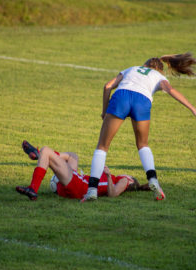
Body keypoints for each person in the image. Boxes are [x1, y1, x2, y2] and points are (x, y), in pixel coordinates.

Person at [83, 52, 196, 202]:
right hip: (142, 101)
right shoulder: (159, 77)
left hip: (121, 97)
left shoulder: (132, 68)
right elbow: (171, 90)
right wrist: (192, 109)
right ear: (159, 69)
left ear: (145, 64)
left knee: (102, 146)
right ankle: (153, 181)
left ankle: (92, 191)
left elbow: (107, 86)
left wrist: (105, 111)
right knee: (143, 144)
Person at [16, 141, 150, 201]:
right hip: (79, 182)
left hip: (79, 187)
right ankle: (39, 156)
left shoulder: (125, 180)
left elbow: (113, 194)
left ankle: (33, 188)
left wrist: (109, 176)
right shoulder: (119, 179)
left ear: (131, 179)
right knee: (72, 156)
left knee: (46, 151)